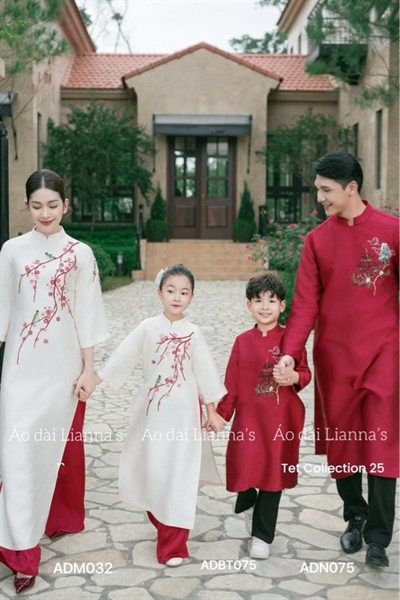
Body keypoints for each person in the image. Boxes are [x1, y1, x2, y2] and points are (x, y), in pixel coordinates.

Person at [278, 151, 399, 568]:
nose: (320, 198)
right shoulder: (317, 240)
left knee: (382, 441)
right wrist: (290, 354)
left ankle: (379, 537)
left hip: (384, 353)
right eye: (318, 190)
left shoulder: (392, 231)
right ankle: (355, 516)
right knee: (344, 442)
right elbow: (304, 304)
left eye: (326, 190)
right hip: (335, 358)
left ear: (351, 188)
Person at [0, 169, 109, 594]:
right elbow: (3, 310)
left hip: (63, 369)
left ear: (66, 205)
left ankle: (44, 528)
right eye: (36, 205)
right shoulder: (11, 251)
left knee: (55, 448)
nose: (45, 213)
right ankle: (20, 551)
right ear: (26, 206)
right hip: (20, 371)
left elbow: (88, 313)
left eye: (52, 205)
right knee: (17, 454)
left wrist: (88, 369)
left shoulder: (80, 253)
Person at [93, 264, 226, 567]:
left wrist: (212, 412)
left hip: (184, 415)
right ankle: (161, 516)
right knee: (154, 469)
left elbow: (205, 373)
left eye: (184, 292)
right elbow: (122, 357)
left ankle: (173, 546)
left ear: (192, 297)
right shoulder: (147, 327)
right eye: (171, 290)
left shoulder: (193, 333)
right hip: (152, 413)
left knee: (180, 474)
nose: (177, 297)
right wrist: (94, 379)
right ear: (159, 293)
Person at [216, 274, 311, 559]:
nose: (265, 306)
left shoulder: (291, 340)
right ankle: (248, 504)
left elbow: (304, 373)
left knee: (273, 476)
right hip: (249, 420)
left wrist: (294, 376)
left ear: (282, 305)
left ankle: (262, 536)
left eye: (272, 300)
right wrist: (221, 415)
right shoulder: (242, 342)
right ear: (249, 305)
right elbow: (231, 384)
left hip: (281, 420)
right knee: (243, 466)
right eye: (258, 300)